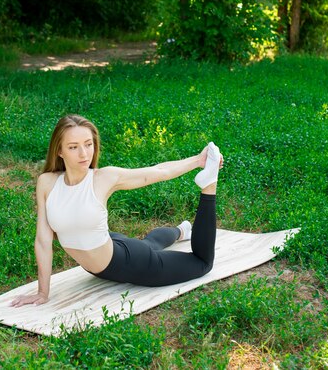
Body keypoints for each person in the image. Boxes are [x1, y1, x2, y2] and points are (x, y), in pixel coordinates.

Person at [12, 114, 223, 307]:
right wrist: (42, 292)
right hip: (104, 252)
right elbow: (43, 240)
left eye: (88, 144)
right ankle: (180, 231)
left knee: (202, 263)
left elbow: (159, 171)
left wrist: (199, 161)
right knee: (149, 243)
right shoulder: (47, 183)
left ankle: (209, 183)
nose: (84, 154)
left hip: (128, 263)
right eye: (73, 147)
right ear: (59, 151)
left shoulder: (103, 178)